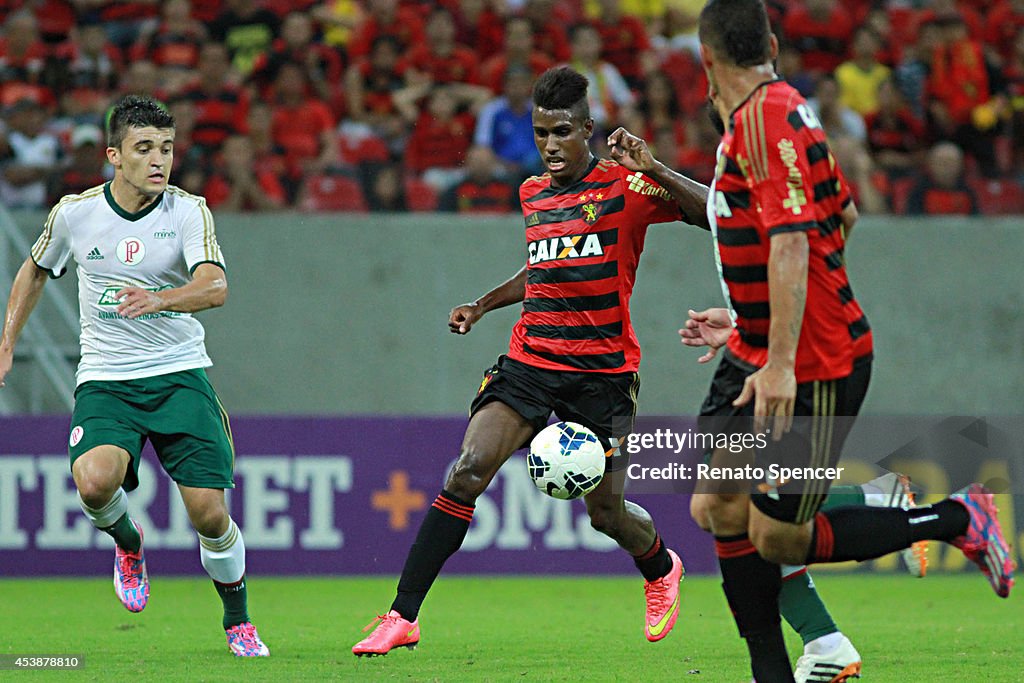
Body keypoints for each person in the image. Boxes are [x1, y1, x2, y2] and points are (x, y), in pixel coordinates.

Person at [690, 2, 1014, 681]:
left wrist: (783, 353)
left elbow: (793, 237)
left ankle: (953, 515)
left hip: (814, 366)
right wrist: (753, 316)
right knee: (717, 501)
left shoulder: (763, 117)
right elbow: (844, 212)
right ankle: (775, 670)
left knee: (777, 534)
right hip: (765, 347)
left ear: (706, 59)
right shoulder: (782, 110)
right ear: (772, 43)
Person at [352, 66, 710, 656]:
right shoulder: (533, 193)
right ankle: (402, 615)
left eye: (561, 132)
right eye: (541, 132)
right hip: (531, 360)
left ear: (588, 130)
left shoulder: (629, 187)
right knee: (467, 470)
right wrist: (484, 304)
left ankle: (661, 568)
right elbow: (544, 270)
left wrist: (656, 169)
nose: (548, 145)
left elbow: (715, 212)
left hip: (603, 375)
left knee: (606, 515)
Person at [0, 95, 269, 658]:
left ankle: (238, 619)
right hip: (106, 379)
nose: (159, 161)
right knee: (94, 481)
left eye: (166, 149)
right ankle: (129, 543)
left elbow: (216, 287)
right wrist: (6, 344)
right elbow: (34, 269)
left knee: (210, 514)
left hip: (177, 375)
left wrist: (160, 299)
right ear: (114, 156)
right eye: (144, 149)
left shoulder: (188, 211)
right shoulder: (75, 213)